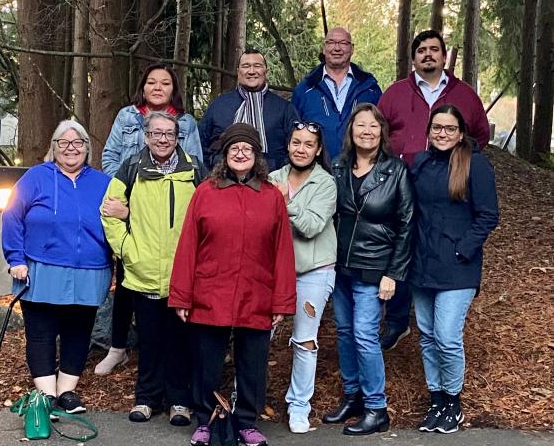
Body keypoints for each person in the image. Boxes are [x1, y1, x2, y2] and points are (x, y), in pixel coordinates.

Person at [168, 123, 297, 446]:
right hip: (210, 292)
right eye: (234, 149)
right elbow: (187, 247)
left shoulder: (270, 197)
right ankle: (204, 420)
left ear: (257, 156)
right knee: (206, 362)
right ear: (225, 156)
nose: (241, 153)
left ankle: (246, 422)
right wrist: (182, 296)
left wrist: (282, 301)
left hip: (257, 292)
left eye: (247, 149)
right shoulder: (206, 193)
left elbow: (282, 251)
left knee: (253, 363)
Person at [377, 29, 491, 352]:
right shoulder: (396, 93)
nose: (428, 54)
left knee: (436, 240)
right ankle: (397, 321)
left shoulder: (464, 94)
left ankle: (444, 326)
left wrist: (459, 162)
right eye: (421, 50)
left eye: (434, 49)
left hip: (448, 184)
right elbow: (378, 130)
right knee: (402, 245)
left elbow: (479, 133)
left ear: (444, 56)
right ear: (413, 58)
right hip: (403, 183)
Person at [96, 63, 203, 376]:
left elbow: (195, 168)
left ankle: (171, 357)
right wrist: (129, 202)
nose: (158, 87)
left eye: (165, 83)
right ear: (142, 87)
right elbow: (110, 158)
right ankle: (118, 347)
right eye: (152, 82)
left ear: (174, 89)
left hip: (170, 220)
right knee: (128, 282)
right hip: (131, 209)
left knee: (174, 283)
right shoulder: (127, 117)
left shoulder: (186, 122)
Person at [101, 111, 206, 425]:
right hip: (143, 271)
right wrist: (126, 250)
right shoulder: (132, 167)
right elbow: (108, 211)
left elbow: (209, 215)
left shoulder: (194, 169)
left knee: (181, 340)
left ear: (178, 137)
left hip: (183, 273)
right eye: (157, 133)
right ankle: (146, 399)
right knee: (149, 339)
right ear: (146, 136)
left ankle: (179, 401)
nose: (163, 139)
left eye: (169, 134)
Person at [2, 120, 113, 415]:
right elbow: (12, 216)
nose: (70, 148)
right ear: (53, 148)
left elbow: (117, 223)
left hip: (90, 270)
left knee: (78, 332)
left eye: (78, 143)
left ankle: (67, 392)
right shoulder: (35, 177)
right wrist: (16, 258)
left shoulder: (102, 182)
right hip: (40, 268)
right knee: (41, 331)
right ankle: (47, 395)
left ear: (87, 149)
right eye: (63, 143)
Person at [323, 103, 414, 435]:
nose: (366, 131)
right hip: (341, 266)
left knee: (364, 336)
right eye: (360, 125)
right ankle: (353, 396)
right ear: (351, 131)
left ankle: (377, 408)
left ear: (381, 132)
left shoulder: (396, 171)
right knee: (345, 333)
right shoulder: (338, 167)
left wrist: (393, 273)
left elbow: (406, 224)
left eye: (373, 126)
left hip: (375, 268)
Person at [408, 104, 498, 434]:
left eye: (449, 128)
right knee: (428, 336)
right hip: (422, 263)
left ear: (461, 133)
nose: (442, 134)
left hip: (458, 267)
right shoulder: (420, 163)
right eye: (437, 128)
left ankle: (453, 402)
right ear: (429, 131)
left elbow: (488, 215)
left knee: (447, 335)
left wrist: (463, 248)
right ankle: (437, 400)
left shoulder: (475, 164)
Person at [268, 121, 337, 434]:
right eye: (296, 142)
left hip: (314, 270)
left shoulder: (326, 183)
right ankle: (244, 397)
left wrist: (285, 203)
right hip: (274, 270)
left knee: (304, 341)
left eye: (309, 144)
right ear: (288, 145)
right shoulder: (273, 178)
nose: (301, 148)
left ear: (318, 149)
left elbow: (311, 226)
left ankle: (299, 407)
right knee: (258, 335)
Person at [199, 48, 299, 170]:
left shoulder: (284, 108)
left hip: (272, 181)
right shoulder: (218, 105)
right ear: (238, 72)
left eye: (257, 66)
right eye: (246, 66)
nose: (251, 71)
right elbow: (201, 144)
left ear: (265, 71)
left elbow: (296, 147)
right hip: (223, 181)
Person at [292, 27, 382, 159]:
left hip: (361, 171)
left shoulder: (370, 88)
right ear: (324, 48)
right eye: (331, 42)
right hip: (317, 172)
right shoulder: (305, 89)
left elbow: (383, 130)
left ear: (352, 49)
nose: (337, 48)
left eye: (343, 43)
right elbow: (293, 132)